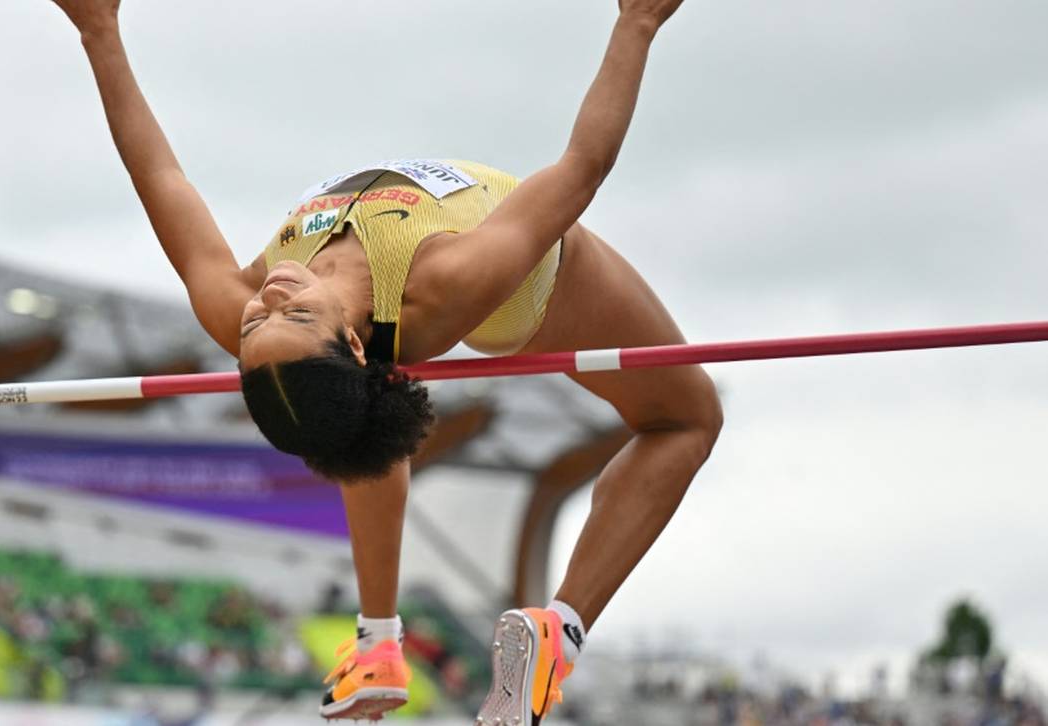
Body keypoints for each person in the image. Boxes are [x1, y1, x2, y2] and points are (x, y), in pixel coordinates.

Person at [49, 0, 720, 722]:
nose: (271, 295)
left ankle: (377, 645)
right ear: (354, 341)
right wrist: (637, 24)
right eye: (296, 314)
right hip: (537, 285)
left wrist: (99, 33)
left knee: (345, 418)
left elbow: (162, 178)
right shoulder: (443, 282)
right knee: (687, 419)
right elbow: (583, 168)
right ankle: (562, 628)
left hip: (380, 337)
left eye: (257, 323)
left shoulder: (241, 307)